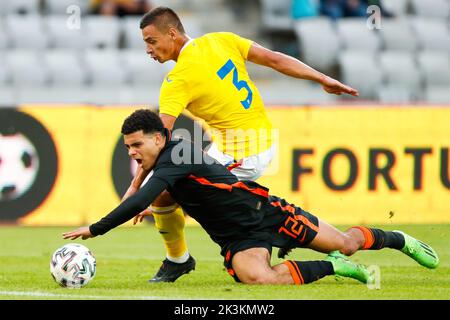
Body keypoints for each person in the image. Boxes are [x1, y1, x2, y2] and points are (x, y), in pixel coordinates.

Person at [63, 110, 439, 286]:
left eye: (136, 145)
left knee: (347, 242)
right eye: (127, 146)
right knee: (256, 278)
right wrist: (144, 192)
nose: (131, 152)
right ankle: (335, 269)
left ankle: (399, 240)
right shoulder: (168, 159)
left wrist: (96, 228)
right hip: (238, 238)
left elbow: (141, 198)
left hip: (267, 213)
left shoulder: (178, 154)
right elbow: (152, 189)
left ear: (159, 138)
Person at [123, 6, 359, 283]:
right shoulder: (220, 39)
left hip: (248, 151)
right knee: (173, 193)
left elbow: (158, 142)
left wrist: (136, 187)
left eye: (152, 41)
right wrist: (321, 78)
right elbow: (274, 59)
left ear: (172, 33)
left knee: (178, 192)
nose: (148, 49)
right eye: (145, 44)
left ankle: (278, 233)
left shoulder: (178, 80)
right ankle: (183, 259)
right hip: (236, 143)